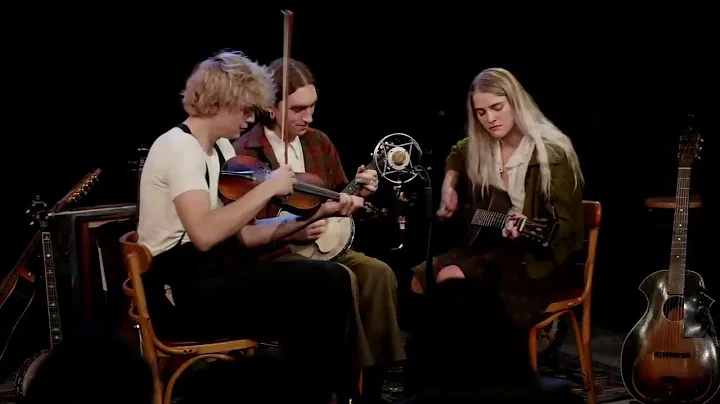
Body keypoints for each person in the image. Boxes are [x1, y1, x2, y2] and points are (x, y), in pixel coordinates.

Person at [136, 50, 364, 403]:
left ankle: (312, 393)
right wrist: (270, 187)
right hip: (179, 291)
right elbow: (206, 234)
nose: (249, 119)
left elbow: (246, 234)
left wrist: (320, 212)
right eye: (245, 109)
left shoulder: (222, 149)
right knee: (322, 289)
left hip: (214, 274)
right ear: (221, 102)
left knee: (324, 285)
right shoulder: (178, 148)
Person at [233, 58, 406, 403]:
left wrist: (358, 189)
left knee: (378, 273)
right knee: (343, 278)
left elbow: (337, 195)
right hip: (275, 256)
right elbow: (242, 225)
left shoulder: (318, 143)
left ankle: (374, 383)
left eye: (312, 107)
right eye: (298, 109)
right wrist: (292, 230)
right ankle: (343, 384)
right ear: (270, 106)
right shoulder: (244, 154)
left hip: (325, 249)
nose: (307, 117)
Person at [411, 67, 585, 330]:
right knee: (421, 277)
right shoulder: (485, 144)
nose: (490, 118)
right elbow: (457, 152)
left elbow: (568, 228)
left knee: (452, 279)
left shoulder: (552, 153)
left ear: (515, 102)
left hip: (539, 261)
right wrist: (449, 185)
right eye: (481, 112)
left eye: (497, 107)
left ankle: (478, 361)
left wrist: (527, 228)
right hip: (493, 249)